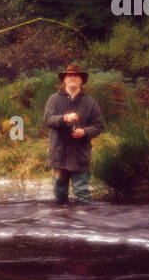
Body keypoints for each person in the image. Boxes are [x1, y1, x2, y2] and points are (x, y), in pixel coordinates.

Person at [43, 64, 105, 204]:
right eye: (69, 75)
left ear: (81, 80)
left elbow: (99, 125)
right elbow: (48, 120)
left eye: (75, 76)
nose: (72, 78)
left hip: (80, 155)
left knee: (82, 194)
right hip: (58, 154)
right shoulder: (53, 99)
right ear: (64, 80)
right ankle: (62, 222)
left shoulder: (90, 102)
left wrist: (85, 132)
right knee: (59, 195)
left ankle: (85, 223)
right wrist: (64, 118)